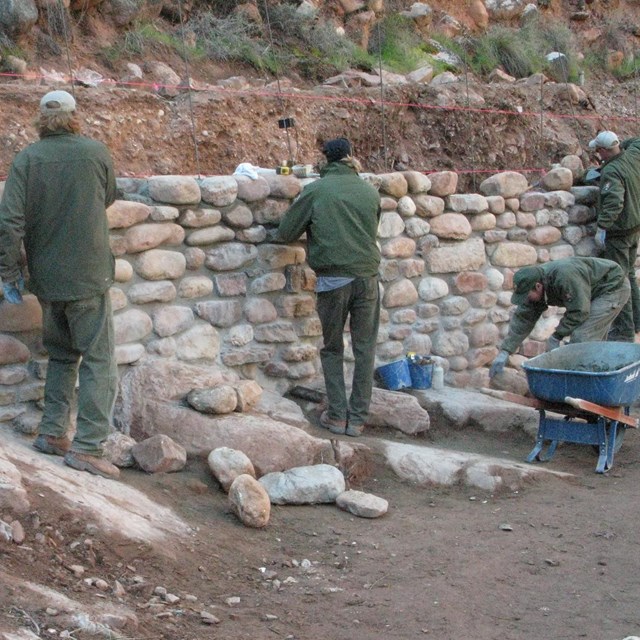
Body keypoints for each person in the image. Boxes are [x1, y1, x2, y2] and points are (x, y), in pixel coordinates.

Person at [0, 90, 120, 479]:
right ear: (74, 117)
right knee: (98, 361)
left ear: (41, 120)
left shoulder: (27, 160)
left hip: (47, 280)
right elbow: (109, 196)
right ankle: (87, 447)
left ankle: (52, 433)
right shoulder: (95, 152)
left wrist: (8, 272)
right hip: (88, 277)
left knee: (62, 356)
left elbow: (8, 223)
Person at [277, 138, 381, 437]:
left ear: (325, 160)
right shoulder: (369, 191)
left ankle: (337, 416)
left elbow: (286, 233)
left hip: (333, 281)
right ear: (351, 156)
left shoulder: (316, 190)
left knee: (333, 348)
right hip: (368, 278)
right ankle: (358, 419)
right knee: (365, 350)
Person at [489, 257, 630, 378]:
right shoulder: (534, 285)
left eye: (526, 295)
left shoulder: (564, 276)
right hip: (590, 292)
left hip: (612, 288)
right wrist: (505, 352)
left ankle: (584, 385)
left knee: (582, 338)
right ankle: (595, 371)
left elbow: (580, 311)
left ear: (538, 286)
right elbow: (523, 320)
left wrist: (556, 336)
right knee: (587, 341)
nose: (526, 300)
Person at [589, 130, 640, 340]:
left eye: (598, 150)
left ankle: (625, 331)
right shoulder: (632, 155)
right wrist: (620, 144)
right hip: (634, 227)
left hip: (618, 233)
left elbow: (614, 202)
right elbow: (637, 141)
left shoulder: (611, 172)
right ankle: (637, 320)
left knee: (620, 280)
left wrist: (602, 227)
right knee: (630, 274)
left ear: (603, 151)